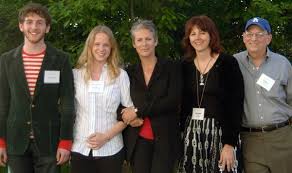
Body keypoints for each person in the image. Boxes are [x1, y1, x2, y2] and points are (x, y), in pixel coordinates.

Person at [0, 2, 75, 173]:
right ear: (21, 26)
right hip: (16, 141)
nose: (34, 27)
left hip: (49, 143)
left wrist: (65, 141)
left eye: (40, 22)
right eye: (29, 21)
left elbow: (67, 103)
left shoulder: (61, 59)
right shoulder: (6, 60)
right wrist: (1, 142)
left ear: (47, 28)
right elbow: (3, 103)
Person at [178, 15, 244, 173]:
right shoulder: (184, 65)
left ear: (211, 35)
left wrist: (229, 144)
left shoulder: (227, 63)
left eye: (202, 32)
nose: (197, 38)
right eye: (193, 34)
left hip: (221, 134)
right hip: (192, 134)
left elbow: (236, 105)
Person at [70, 25, 137, 173]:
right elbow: (69, 111)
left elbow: (129, 113)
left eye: (106, 45)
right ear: (90, 46)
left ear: (112, 48)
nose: (101, 48)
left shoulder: (120, 75)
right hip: (80, 148)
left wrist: (105, 137)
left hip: (111, 149)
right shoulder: (76, 75)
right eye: (97, 44)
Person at [122, 19, 182, 173]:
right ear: (134, 44)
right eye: (139, 40)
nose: (144, 44)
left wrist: (136, 111)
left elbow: (172, 101)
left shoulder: (172, 68)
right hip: (138, 140)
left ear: (156, 41)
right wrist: (124, 114)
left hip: (165, 139)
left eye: (148, 39)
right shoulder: (128, 73)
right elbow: (118, 104)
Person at [234, 17, 292, 173]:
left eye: (260, 34)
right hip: (251, 141)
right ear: (244, 37)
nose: (254, 38)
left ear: (269, 38)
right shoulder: (234, 63)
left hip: (282, 138)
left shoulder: (283, 64)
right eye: (250, 34)